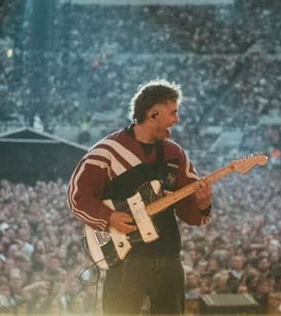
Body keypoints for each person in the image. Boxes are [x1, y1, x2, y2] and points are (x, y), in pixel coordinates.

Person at [67, 79, 212, 315]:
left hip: (168, 255)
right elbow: (77, 197)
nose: (177, 119)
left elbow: (191, 214)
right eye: (173, 113)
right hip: (127, 257)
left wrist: (203, 203)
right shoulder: (107, 152)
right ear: (152, 114)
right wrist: (109, 217)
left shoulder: (175, 154)